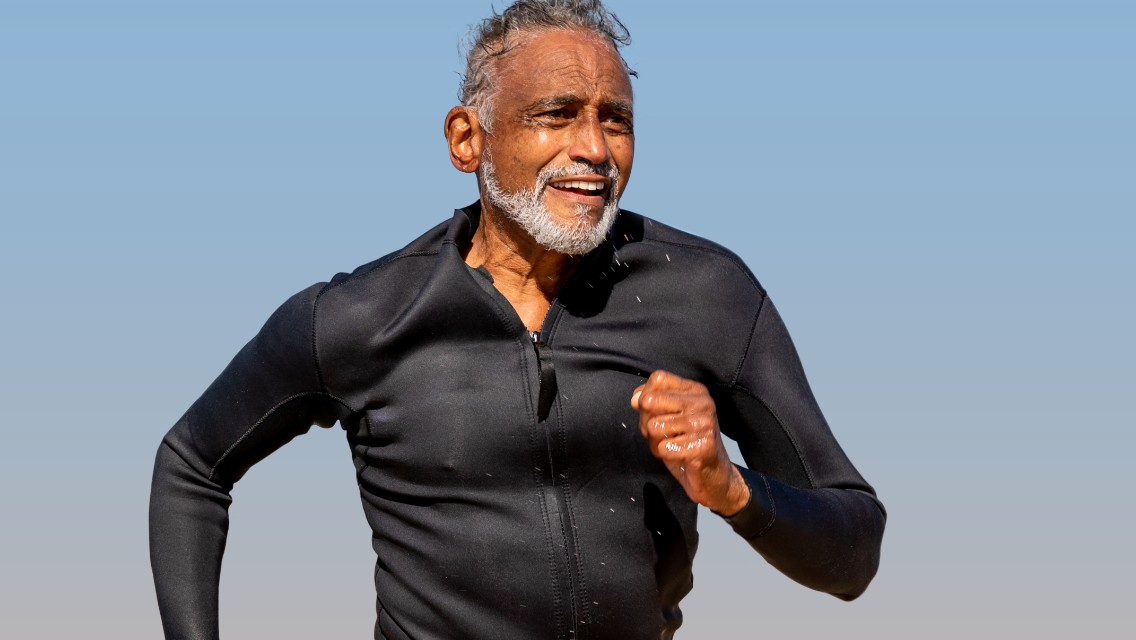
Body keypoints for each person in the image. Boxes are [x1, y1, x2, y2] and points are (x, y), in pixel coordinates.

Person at [149, 1, 886, 638]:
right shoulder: (362, 317)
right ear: (467, 139)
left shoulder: (707, 296)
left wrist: (732, 488)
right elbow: (192, 464)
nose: (594, 149)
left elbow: (854, 552)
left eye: (616, 121)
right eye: (556, 115)